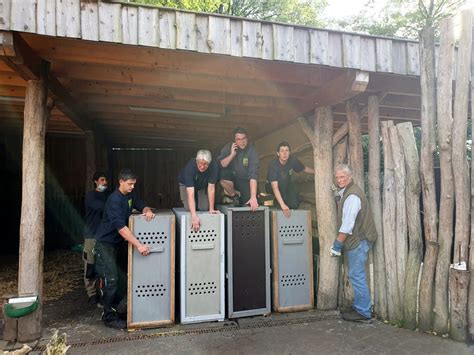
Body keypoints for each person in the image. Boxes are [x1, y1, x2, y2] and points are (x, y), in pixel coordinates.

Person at [94, 168, 155, 329]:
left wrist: (147, 210)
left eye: (134, 184)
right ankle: (108, 317)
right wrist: (139, 245)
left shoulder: (130, 195)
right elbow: (121, 228)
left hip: (119, 244)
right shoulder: (114, 200)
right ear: (121, 182)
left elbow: (140, 204)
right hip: (105, 244)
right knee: (111, 280)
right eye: (130, 184)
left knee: (123, 277)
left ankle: (120, 310)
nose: (132, 187)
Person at [330, 164, 377, 322]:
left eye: (342, 177)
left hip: (358, 241)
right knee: (356, 274)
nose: (339, 180)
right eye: (337, 177)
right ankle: (359, 307)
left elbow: (348, 224)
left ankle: (364, 313)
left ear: (350, 178)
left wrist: (337, 244)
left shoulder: (352, 196)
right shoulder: (347, 193)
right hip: (359, 240)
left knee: (357, 275)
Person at [266, 142, 314, 217]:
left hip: (286, 184)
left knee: (294, 203)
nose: (284, 153)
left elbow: (304, 168)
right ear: (278, 153)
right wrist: (283, 205)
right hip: (272, 187)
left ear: (289, 152)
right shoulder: (273, 165)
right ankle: (278, 202)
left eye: (286, 150)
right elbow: (275, 187)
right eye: (282, 151)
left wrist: (317, 172)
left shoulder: (293, 160)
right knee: (281, 205)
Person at [217, 127, 259, 211]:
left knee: (247, 204)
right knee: (221, 174)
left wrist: (253, 197)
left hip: (245, 181)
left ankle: (243, 197)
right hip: (232, 179)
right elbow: (221, 164)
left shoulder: (252, 151)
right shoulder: (229, 147)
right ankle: (233, 196)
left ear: (247, 139)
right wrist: (232, 155)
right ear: (235, 140)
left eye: (243, 138)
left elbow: (253, 175)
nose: (241, 142)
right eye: (238, 139)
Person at [83, 172, 109, 306]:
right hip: (91, 235)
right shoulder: (91, 196)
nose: (105, 182)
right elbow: (103, 208)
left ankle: (103, 294)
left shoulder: (108, 195)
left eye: (105, 180)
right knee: (90, 265)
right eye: (102, 179)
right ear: (95, 181)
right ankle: (92, 294)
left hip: (104, 236)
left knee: (103, 266)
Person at [178, 149, 220, 231]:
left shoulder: (214, 166)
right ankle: (193, 209)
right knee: (188, 208)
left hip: (202, 184)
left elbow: (211, 188)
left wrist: (211, 209)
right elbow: (190, 194)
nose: (202, 166)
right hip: (186, 184)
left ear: (210, 163)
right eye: (200, 163)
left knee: (205, 208)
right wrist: (194, 217)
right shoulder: (190, 167)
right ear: (196, 161)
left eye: (205, 164)